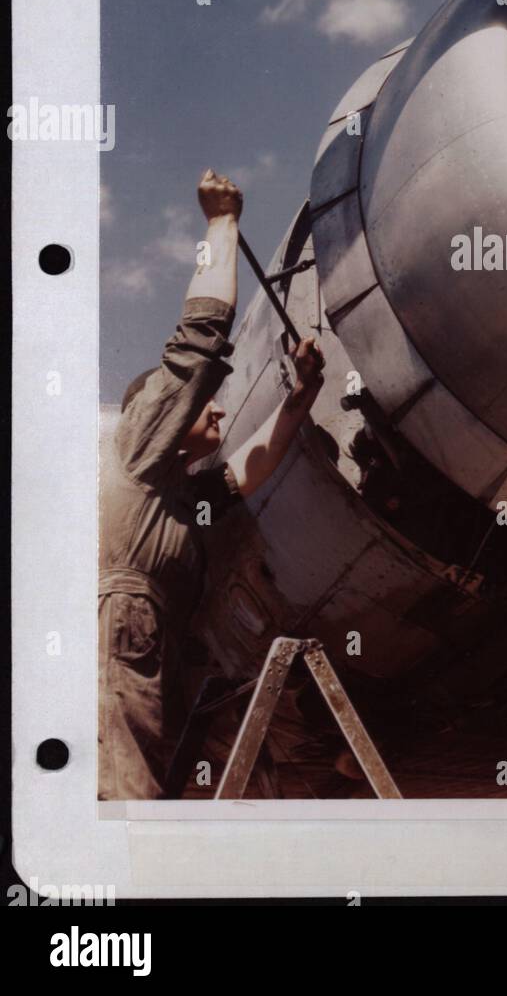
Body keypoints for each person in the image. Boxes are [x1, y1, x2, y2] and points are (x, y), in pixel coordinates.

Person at [98, 169, 325, 799]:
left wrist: (300, 399)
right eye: (206, 407)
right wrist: (221, 224)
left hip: (153, 652)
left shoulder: (178, 501)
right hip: (118, 643)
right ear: (162, 415)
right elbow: (198, 340)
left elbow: (246, 471)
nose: (220, 413)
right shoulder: (143, 447)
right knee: (122, 800)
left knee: (140, 796)